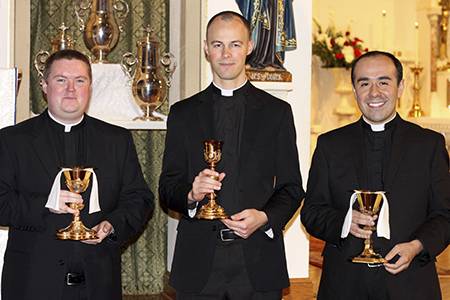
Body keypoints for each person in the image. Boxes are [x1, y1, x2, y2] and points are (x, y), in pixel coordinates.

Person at [159, 11, 304, 299]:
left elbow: (292, 187)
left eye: (235, 45)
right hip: (199, 265)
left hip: (257, 263)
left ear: (249, 47)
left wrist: (264, 217)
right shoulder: (182, 114)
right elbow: (167, 189)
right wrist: (191, 194)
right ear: (205, 48)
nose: (226, 54)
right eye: (217, 45)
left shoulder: (277, 113)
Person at [0, 49, 154, 300]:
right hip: (32, 284)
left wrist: (112, 225)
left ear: (90, 87)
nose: (71, 89)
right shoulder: (12, 140)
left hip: (98, 284)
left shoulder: (116, 140)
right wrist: (46, 204)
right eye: (61, 80)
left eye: (79, 81)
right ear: (44, 86)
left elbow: (140, 199)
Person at [301, 51, 450, 300]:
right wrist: (346, 222)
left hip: (410, 284)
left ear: (400, 87)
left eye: (384, 81)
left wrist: (417, 246)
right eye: (364, 83)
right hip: (345, 285)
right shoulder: (330, 145)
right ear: (354, 89)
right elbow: (312, 212)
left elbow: (445, 215)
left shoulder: (428, 145)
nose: (374, 92)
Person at [236, 0, 297, 70]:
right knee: (257, 30)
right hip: (258, 4)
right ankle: (252, 60)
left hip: (274, 3)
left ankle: (272, 61)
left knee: (273, 27)